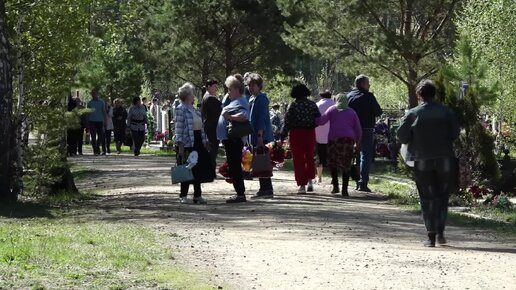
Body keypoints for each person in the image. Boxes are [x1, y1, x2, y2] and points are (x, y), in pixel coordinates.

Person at [397, 79, 460, 247]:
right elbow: (455, 133)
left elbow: (401, 135)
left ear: (419, 95)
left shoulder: (413, 113)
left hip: (422, 158)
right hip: (445, 158)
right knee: (442, 196)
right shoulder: (446, 112)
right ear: (435, 94)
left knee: (427, 196)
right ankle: (440, 233)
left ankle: (430, 236)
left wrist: (413, 139)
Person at [175, 82, 214, 204]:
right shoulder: (180, 109)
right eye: (192, 93)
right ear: (187, 95)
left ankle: (197, 195)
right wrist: (180, 143)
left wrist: (205, 141)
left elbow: (201, 127)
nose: (194, 96)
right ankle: (183, 195)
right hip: (187, 142)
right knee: (186, 168)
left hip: (198, 141)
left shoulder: (195, 110)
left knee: (198, 168)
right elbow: (179, 127)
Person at [316, 93, 362, 196]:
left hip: (334, 139)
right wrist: (358, 141)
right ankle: (344, 190)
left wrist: (313, 118)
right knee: (346, 163)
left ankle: (335, 186)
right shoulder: (352, 112)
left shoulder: (332, 110)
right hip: (348, 140)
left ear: (336, 100)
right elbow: (358, 128)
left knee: (333, 162)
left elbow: (321, 121)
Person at [281, 83, 321, 194]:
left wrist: (283, 135)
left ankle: (302, 185)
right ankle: (310, 181)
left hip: (296, 133)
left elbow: (287, 122)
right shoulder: (312, 105)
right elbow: (318, 119)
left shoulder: (293, 105)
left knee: (298, 159)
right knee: (309, 157)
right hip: (309, 133)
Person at [217, 75, 250, 203]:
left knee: (235, 166)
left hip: (234, 140)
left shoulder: (241, 101)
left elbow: (244, 116)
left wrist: (229, 117)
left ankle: (240, 194)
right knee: (234, 165)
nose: (228, 92)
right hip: (231, 140)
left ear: (236, 89)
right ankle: (239, 193)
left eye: (230, 89)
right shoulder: (236, 101)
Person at [347, 74, 383, 192]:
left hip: (351, 129)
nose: (369, 85)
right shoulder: (368, 97)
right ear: (363, 84)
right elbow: (378, 111)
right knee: (365, 155)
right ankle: (363, 182)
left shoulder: (349, 96)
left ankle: (354, 180)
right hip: (366, 128)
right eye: (368, 83)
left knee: (353, 154)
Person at [247, 73, 275, 198]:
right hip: (255, 135)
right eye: (249, 85)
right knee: (259, 161)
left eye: (253, 85)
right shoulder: (253, 99)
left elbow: (262, 118)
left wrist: (260, 135)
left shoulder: (261, 99)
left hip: (261, 136)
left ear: (259, 86)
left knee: (262, 161)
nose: (250, 88)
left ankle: (267, 189)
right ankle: (264, 187)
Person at [201, 79, 222, 171]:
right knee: (213, 148)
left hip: (210, 125)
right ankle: (210, 169)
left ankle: (210, 168)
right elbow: (218, 110)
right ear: (208, 86)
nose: (216, 89)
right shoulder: (209, 98)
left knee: (213, 148)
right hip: (212, 126)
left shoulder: (208, 97)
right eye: (214, 87)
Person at [314, 91, 335, 183]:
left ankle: (319, 177)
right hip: (332, 134)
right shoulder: (335, 105)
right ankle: (333, 178)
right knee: (332, 156)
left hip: (318, 133)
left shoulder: (317, 105)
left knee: (319, 155)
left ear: (321, 96)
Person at [86, 89, 107, 156]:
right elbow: (88, 113)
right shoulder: (89, 103)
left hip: (100, 121)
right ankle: (95, 150)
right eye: (92, 94)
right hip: (92, 121)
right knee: (93, 136)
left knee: (100, 136)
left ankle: (97, 146)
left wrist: (105, 121)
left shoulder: (101, 102)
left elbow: (104, 112)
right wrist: (87, 122)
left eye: (95, 93)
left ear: (97, 94)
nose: (94, 95)